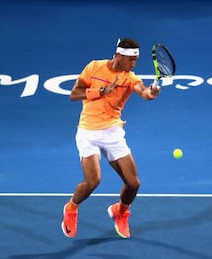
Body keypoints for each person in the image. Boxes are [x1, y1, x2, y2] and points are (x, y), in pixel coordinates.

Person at [61, 38, 160, 239]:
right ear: (119, 56)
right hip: (88, 132)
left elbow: (144, 93)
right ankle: (71, 208)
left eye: (136, 60)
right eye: (131, 60)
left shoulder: (130, 78)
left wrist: (151, 92)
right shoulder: (94, 67)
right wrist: (100, 92)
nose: (134, 65)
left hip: (112, 132)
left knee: (133, 184)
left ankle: (120, 212)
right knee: (93, 181)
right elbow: (74, 93)